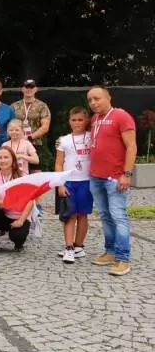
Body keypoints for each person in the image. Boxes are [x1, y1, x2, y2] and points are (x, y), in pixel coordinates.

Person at [86, 87, 136, 276]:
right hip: (96, 176)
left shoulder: (121, 116)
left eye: (97, 98)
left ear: (108, 98)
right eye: (90, 100)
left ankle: (123, 259)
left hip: (115, 177)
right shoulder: (94, 119)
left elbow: (132, 146)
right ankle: (110, 252)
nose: (93, 103)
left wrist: (127, 174)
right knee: (105, 216)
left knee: (118, 216)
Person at [55, 107, 94, 264]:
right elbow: (59, 163)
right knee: (69, 214)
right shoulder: (63, 140)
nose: (77, 123)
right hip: (69, 182)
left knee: (83, 214)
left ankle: (79, 246)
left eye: (80, 120)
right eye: (74, 120)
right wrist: (60, 183)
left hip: (87, 181)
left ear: (87, 121)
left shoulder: (92, 137)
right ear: (69, 121)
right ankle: (69, 247)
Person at [0, 147, 33, 256]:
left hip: (19, 216)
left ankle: (18, 243)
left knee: (18, 236)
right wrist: (4, 204)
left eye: (6, 157)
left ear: (13, 159)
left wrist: (21, 220)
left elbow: (30, 200)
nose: (2, 160)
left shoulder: (22, 176)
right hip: (4, 213)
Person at [11, 80, 51, 169]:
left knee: (35, 172)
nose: (29, 89)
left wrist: (29, 137)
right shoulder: (14, 106)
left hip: (35, 144)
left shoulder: (42, 106)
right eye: (26, 87)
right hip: (16, 143)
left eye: (31, 87)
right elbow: (9, 124)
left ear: (36, 89)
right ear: (22, 89)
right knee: (16, 169)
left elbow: (45, 127)